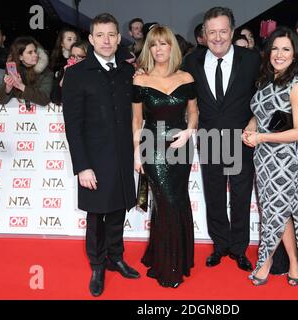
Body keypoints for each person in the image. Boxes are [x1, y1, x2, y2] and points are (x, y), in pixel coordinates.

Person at [62, 13, 140, 297]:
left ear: (119, 38)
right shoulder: (76, 74)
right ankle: (97, 265)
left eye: (111, 35)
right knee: (96, 217)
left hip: (122, 157)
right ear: (91, 39)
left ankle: (116, 257)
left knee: (118, 210)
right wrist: (82, 166)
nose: (106, 41)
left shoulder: (128, 72)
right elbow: (73, 125)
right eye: (100, 35)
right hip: (94, 160)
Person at [183, 7, 260, 272]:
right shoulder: (191, 61)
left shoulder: (251, 59)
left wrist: (255, 121)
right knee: (214, 195)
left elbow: (265, 96)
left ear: (232, 32)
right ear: (203, 34)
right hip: (210, 139)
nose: (217, 37)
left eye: (223, 31)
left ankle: (239, 248)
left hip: (241, 140)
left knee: (240, 197)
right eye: (212, 32)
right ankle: (220, 245)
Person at [242, 27, 298, 287]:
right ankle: (295, 262)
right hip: (263, 159)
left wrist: (262, 137)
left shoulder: (297, 86)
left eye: (286, 49)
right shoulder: (265, 81)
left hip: (285, 160)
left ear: (295, 55)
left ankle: (266, 261)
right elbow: (260, 114)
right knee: (280, 213)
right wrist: (251, 127)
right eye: (275, 48)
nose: (279, 54)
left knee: (276, 212)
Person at [132, 25, 198, 288]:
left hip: (181, 145)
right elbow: (137, 119)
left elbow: (193, 111)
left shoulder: (186, 78)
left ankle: (173, 257)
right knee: (167, 201)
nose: (159, 49)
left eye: (164, 44)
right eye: (153, 45)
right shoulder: (140, 79)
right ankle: (169, 266)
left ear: (172, 47)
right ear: (148, 49)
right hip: (153, 146)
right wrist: (137, 153)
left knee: (178, 200)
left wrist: (188, 132)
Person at [0, 36, 53, 107]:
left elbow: (44, 99)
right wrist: (8, 88)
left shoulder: (46, 73)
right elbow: (0, 100)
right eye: (30, 52)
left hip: (40, 115)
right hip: (16, 116)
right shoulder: (13, 71)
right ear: (20, 57)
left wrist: (21, 86)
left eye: (35, 51)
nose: (35, 55)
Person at [51, 40, 88, 104]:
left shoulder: (95, 73)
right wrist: (65, 77)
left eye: (80, 57)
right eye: (73, 56)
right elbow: (55, 99)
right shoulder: (66, 70)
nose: (75, 60)